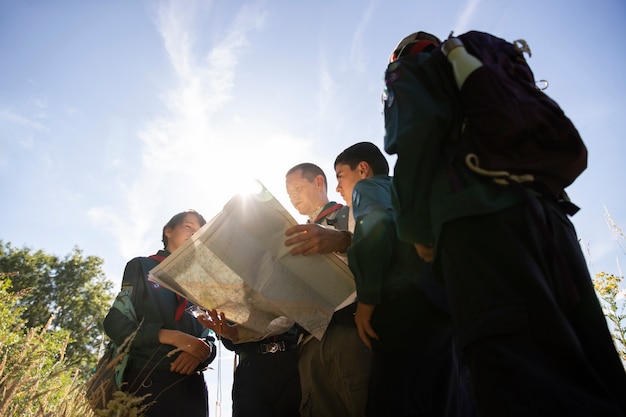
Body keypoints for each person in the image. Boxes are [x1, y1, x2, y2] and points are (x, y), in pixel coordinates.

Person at [382, 31, 626, 416]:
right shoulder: (481, 66)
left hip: (478, 224)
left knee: (516, 376)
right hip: (552, 218)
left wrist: (415, 230)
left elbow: (414, 135)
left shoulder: (411, 68)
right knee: (595, 367)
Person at [334, 141, 474, 417]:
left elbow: (377, 225)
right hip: (444, 305)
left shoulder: (368, 188)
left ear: (362, 169)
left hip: (404, 306)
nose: (338, 188)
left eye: (339, 176)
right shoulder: (412, 191)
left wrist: (367, 300)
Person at [103, 210, 217, 417]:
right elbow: (115, 322)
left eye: (200, 233)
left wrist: (202, 353)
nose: (194, 234)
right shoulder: (142, 266)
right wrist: (172, 337)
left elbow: (209, 335)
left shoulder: (203, 283)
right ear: (168, 231)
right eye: (188, 227)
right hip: (145, 380)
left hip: (192, 386)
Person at [284, 162, 373, 417]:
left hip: (348, 331)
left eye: (298, 188)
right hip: (308, 343)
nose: (293, 198)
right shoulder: (291, 238)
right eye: (289, 195)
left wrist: (342, 241)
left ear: (319, 183)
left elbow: (378, 250)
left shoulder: (350, 213)